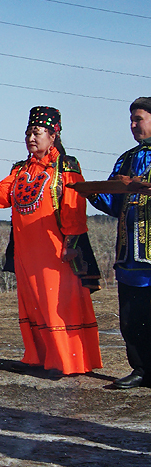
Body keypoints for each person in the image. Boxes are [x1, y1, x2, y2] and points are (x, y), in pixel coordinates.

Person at [0, 107, 102, 376]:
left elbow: (74, 206)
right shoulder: (20, 170)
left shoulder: (66, 167)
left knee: (57, 303)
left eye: (37, 132)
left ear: (53, 136)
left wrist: (71, 243)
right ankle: (40, 357)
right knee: (34, 303)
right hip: (26, 250)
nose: (31, 137)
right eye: (28, 132)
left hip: (54, 249)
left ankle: (67, 361)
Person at [88, 97, 151, 389]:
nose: (133, 125)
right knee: (132, 318)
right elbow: (114, 204)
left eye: (138, 119)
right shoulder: (126, 158)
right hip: (129, 254)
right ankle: (141, 369)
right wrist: (91, 193)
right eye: (131, 120)